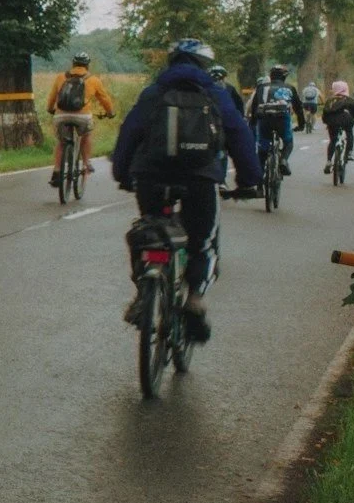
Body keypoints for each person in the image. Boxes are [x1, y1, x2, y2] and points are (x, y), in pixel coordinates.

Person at [110, 39, 261, 342]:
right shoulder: (216, 95)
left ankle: (145, 290)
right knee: (202, 242)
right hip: (200, 178)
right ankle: (194, 300)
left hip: (151, 176)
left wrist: (122, 174)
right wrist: (249, 179)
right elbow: (240, 137)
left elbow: (129, 134)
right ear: (204, 65)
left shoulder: (153, 94)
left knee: (148, 231)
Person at [44, 53, 116, 186]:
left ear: (73, 64)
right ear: (87, 65)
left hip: (61, 115)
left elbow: (52, 97)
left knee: (61, 142)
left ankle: (57, 172)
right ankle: (86, 163)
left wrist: (50, 109)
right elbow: (104, 99)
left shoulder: (61, 77)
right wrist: (110, 112)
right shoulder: (93, 79)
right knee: (86, 135)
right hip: (82, 116)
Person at [245, 63, 299, 175]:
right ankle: (284, 160)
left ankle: (259, 182)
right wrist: (302, 124)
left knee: (262, 149)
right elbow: (298, 108)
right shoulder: (290, 88)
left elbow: (255, 106)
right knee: (288, 143)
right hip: (282, 118)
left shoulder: (261, 87)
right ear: (284, 76)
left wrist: (253, 122)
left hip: (264, 118)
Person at [321, 79, 354, 171]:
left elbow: (324, 114)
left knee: (333, 140)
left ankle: (329, 161)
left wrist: (327, 122)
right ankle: (349, 153)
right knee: (349, 134)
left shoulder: (330, 100)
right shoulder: (349, 100)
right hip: (346, 120)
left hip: (332, 122)